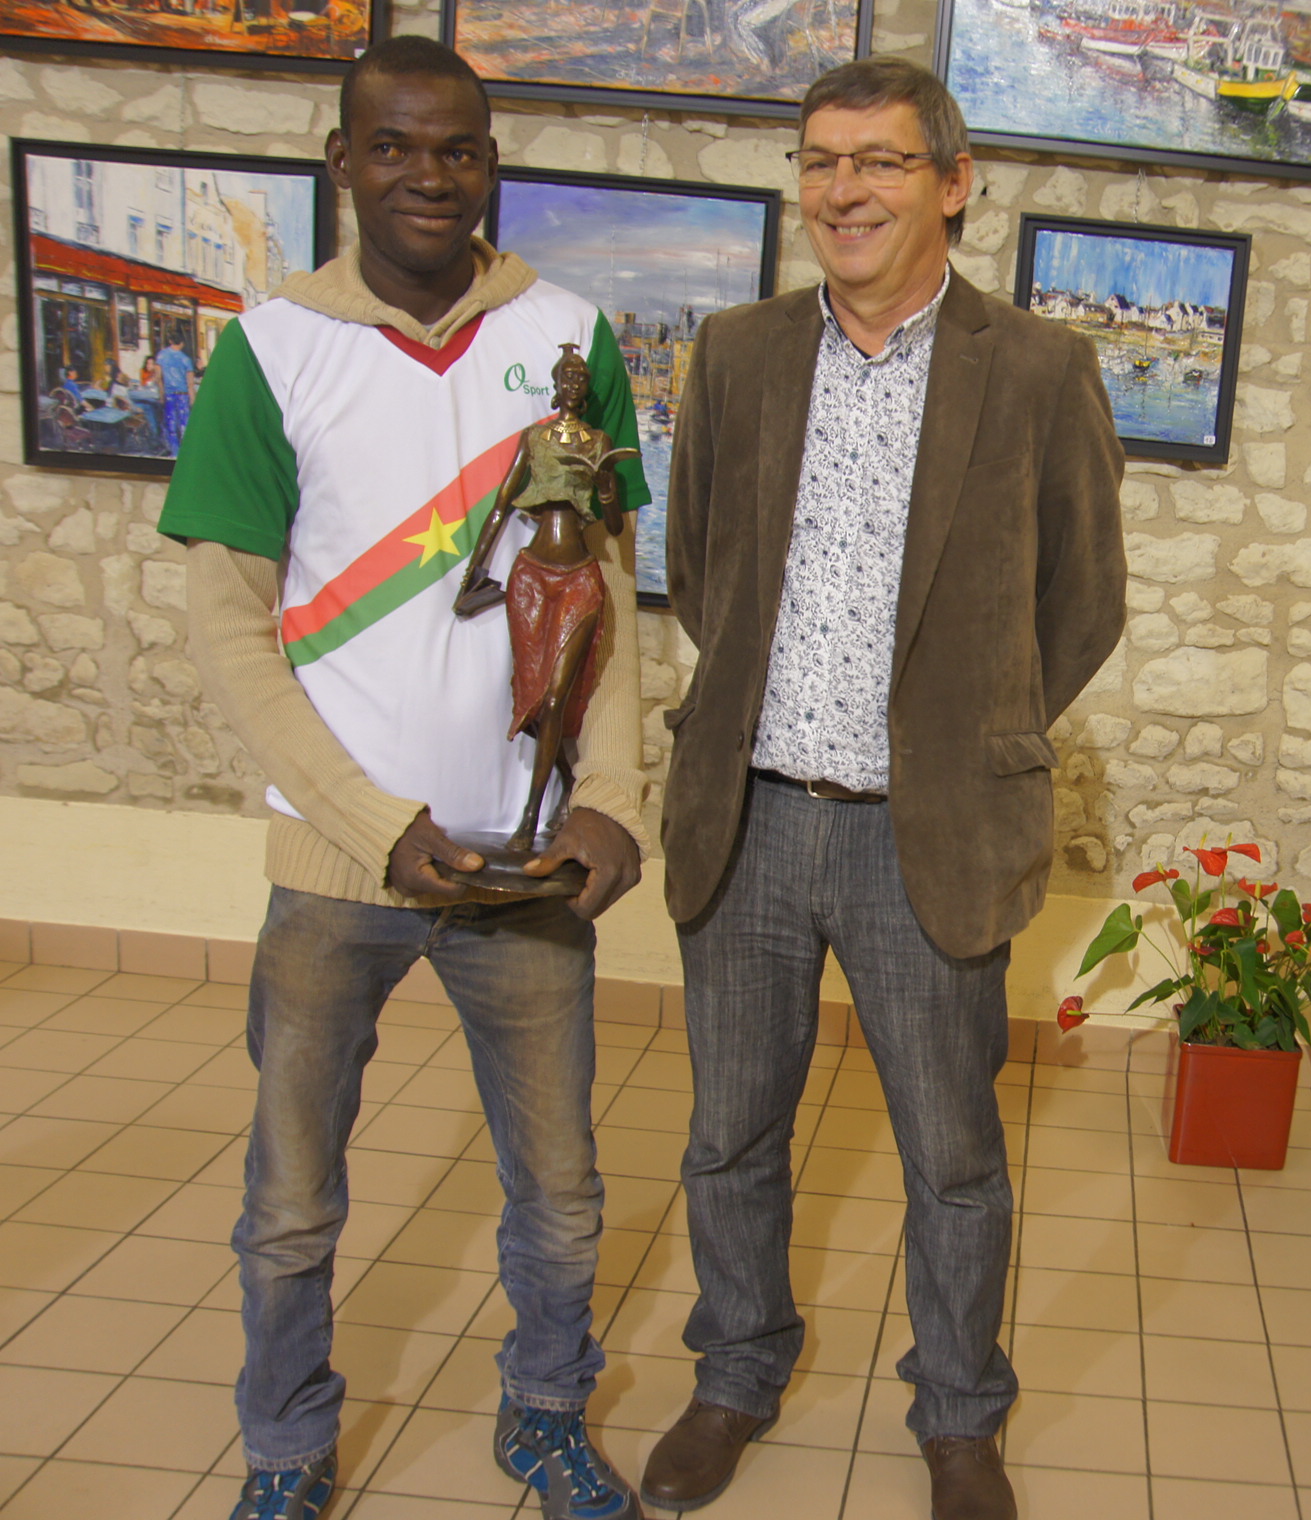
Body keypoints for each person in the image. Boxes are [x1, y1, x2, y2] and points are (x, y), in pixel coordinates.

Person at [160, 35, 652, 1520]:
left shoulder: (570, 334)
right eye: (393, 146)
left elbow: (607, 591)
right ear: (342, 161)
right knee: (290, 1206)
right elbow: (227, 628)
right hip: (338, 870)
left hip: (526, 860)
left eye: (457, 149)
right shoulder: (270, 350)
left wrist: (615, 792)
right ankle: (287, 1449)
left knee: (560, 1196)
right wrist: (373, 827)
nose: (427, 175)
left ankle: (546, 1415)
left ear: (491, 163)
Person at [644, 57, 1125, 1520]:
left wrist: (972, 735)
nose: (842, 190)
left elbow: (1082, 601)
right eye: (819, 160)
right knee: (729, 1134)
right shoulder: (735, 352)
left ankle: (961, 1412)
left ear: (953, 184)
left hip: (930, 836)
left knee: (952, 1156)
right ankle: (736, 1371)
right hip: (750, 818)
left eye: (880, 162)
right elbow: (699, 567)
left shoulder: (1037, 370)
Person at [156, 337, 197, 451]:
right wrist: (193, 399)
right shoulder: (186, 359)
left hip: (169, 393)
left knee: (171, 423)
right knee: (185, 423)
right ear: (182, 343)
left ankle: (174, 451)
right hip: (183, 394)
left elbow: (158, 378)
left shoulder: (162, 355)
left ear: (170, 341)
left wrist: (161, 394)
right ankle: (186, 450)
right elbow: (190, 383)